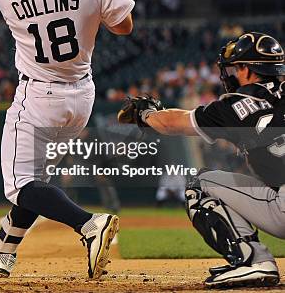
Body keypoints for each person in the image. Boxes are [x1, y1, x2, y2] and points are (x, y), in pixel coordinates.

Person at [0, 0, 134, 280]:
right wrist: (100, 4)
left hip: (39, 96)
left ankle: (89, 224)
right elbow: (124, 27)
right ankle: (1, 253)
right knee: (37, 184)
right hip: (81, 98)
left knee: (21, 185)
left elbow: (47, 3)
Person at [117, 32, 284, 288]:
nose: (230, 75)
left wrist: (146, 113)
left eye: (234, 68)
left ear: (247, 70)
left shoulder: (236, 104)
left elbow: (172, 123)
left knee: (200, 185)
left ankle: (253, 260)